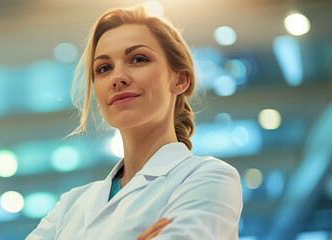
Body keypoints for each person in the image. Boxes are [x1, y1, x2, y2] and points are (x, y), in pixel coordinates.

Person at [26, 5, 242, 240]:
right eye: (104, 68)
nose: (117, 78)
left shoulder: (208, 178)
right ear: (99, 98)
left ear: (180, 80)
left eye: (138, 59)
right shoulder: (69, 206)